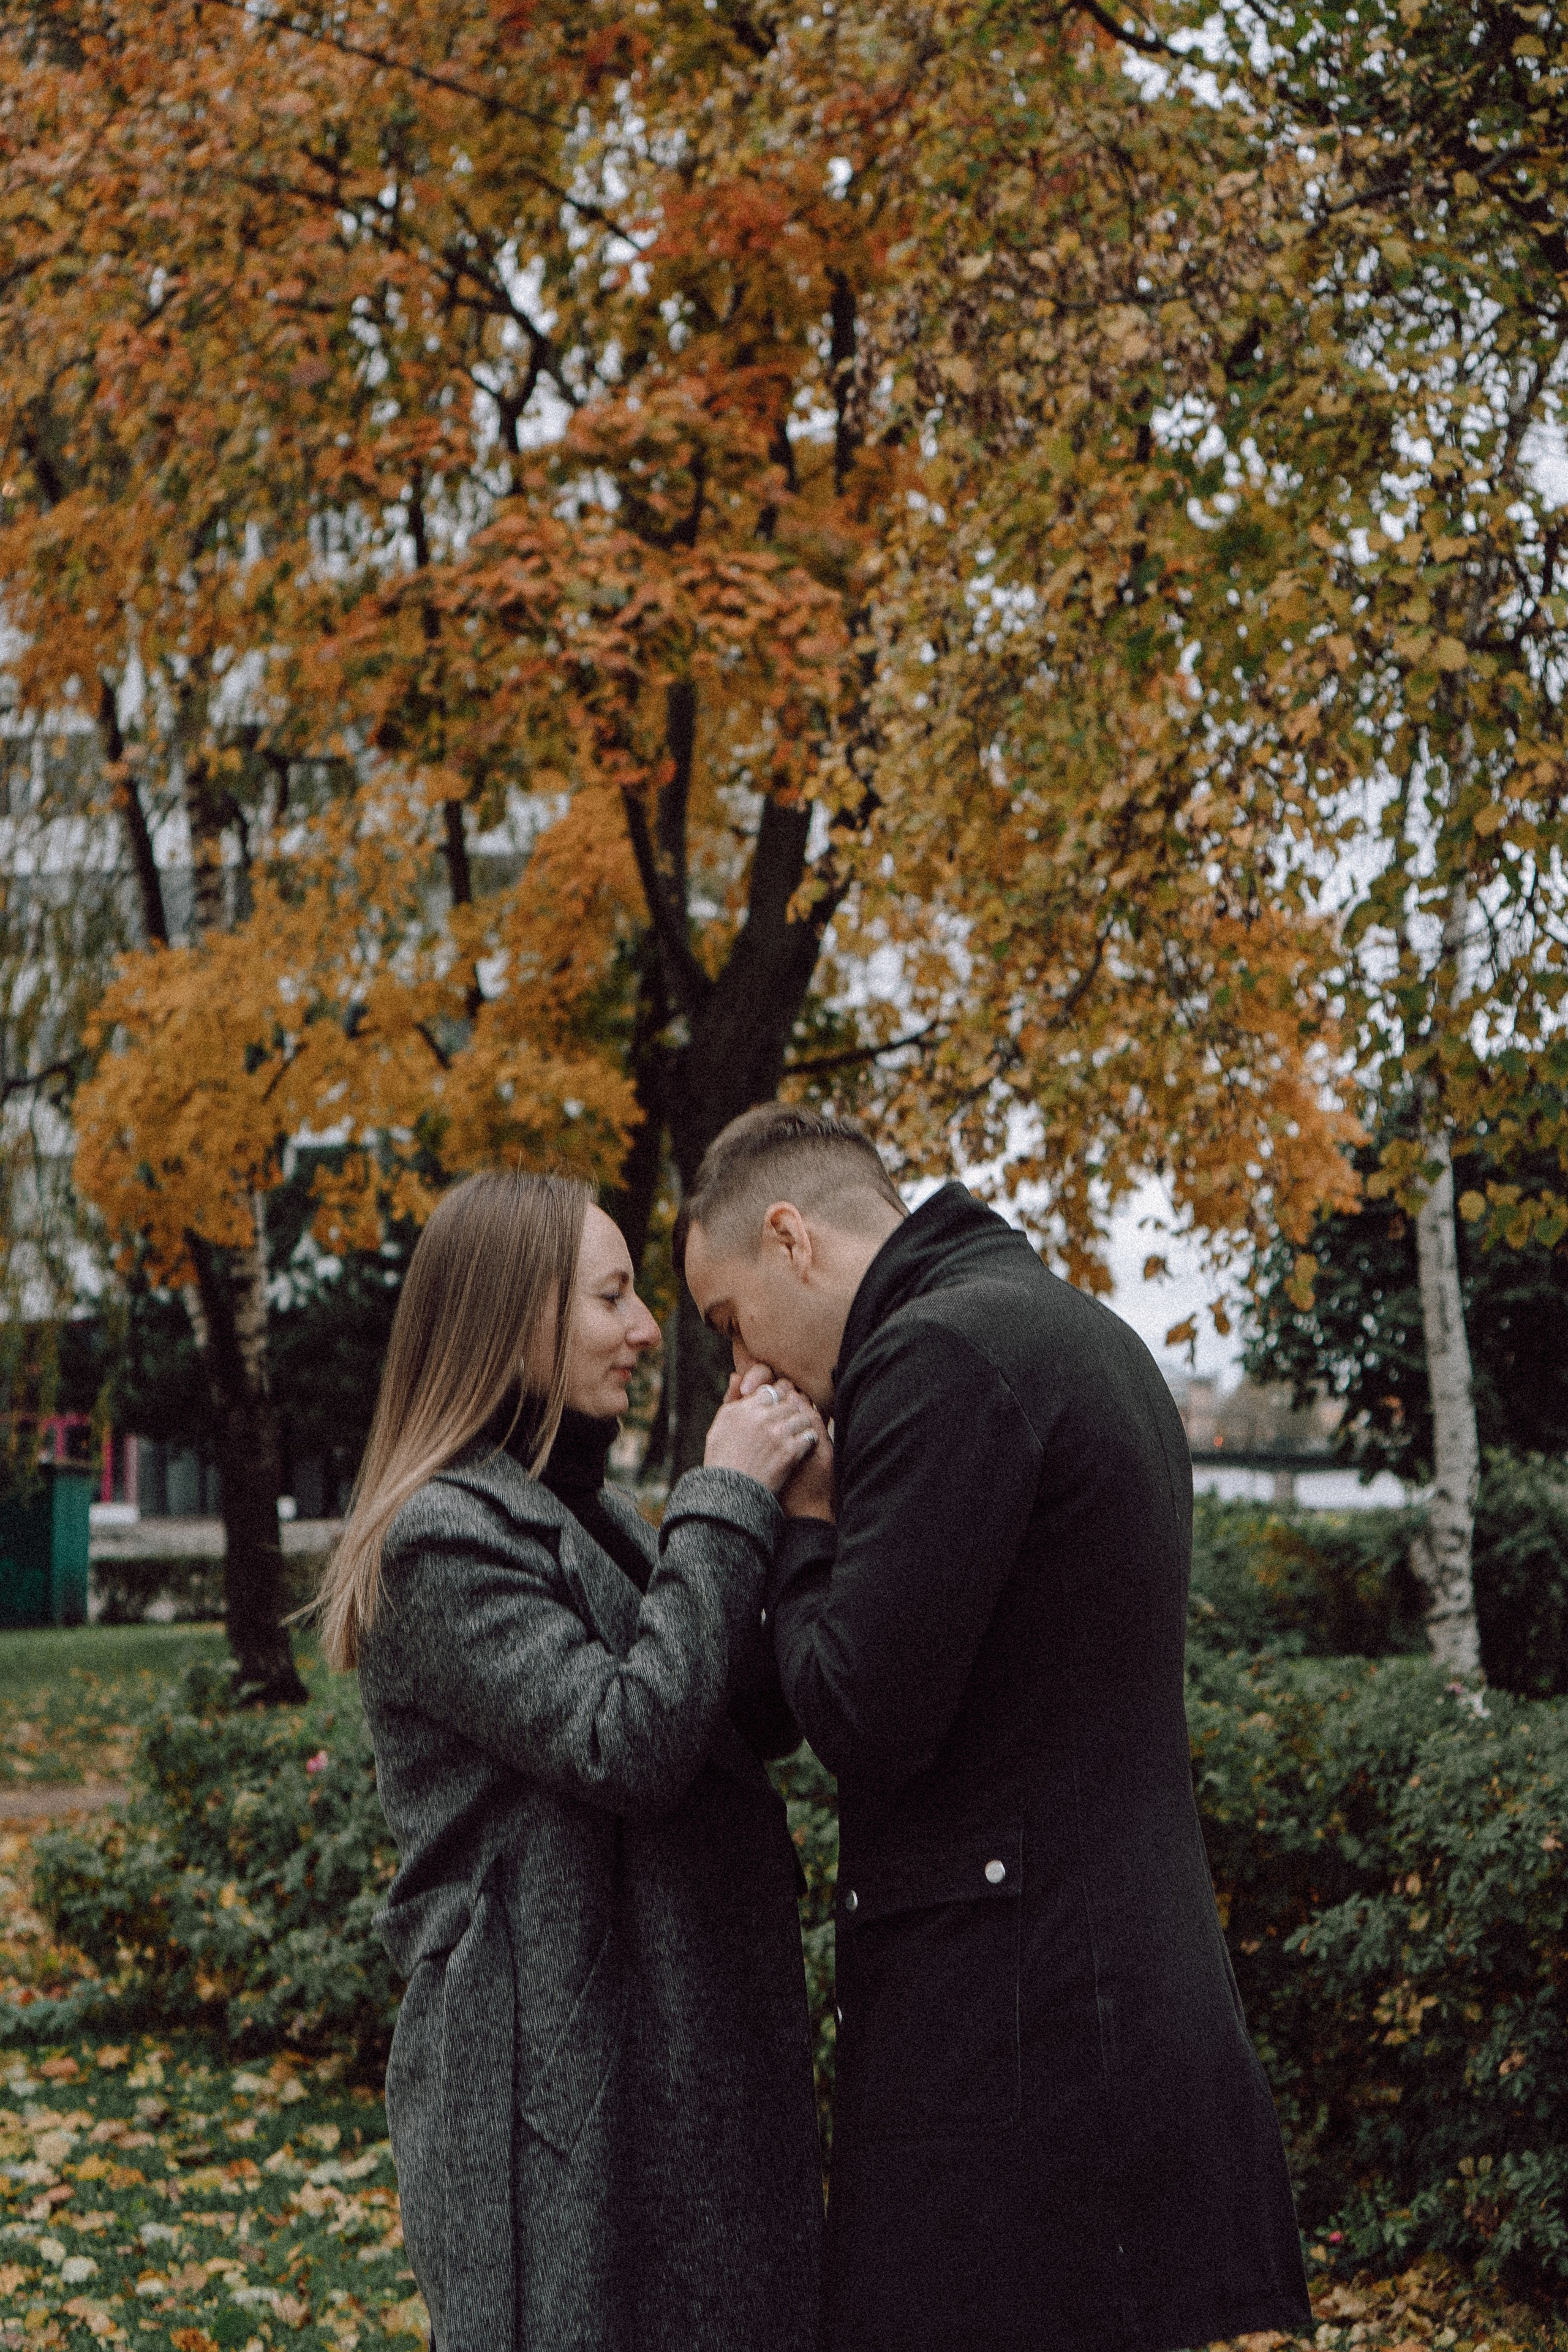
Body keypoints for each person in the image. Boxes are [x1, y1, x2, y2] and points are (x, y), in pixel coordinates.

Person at [676, 1103, 1314, 2352]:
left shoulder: (939, 1357)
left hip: (1018, 2045)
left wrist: (799, 1519)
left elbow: (859, 1713)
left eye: (726, 1321)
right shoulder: (1064, 1328)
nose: (739, 1368)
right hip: (1091, 2007)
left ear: (790, 1238)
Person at [317, 1169, 824, 2352]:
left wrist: (796, 1509)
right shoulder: (444, 1535)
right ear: (516, 1321)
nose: (649, 1330)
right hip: (557, 2094)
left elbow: (744, 1714)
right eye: (614, 1300)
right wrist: (724, 1497)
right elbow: (627, 1740)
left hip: (663, 2052)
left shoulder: (585, 1511)